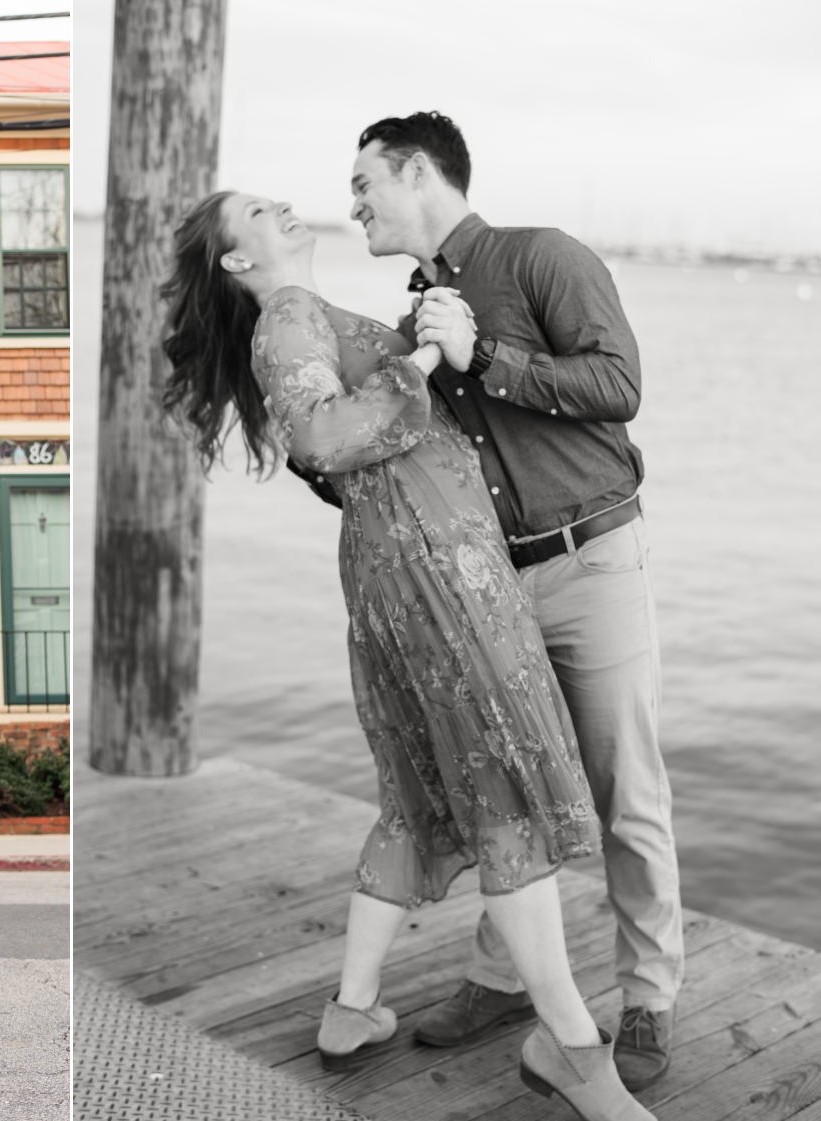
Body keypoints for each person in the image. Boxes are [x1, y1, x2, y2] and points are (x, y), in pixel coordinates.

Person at [161, 190, 656, 1121]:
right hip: (441, 570)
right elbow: (325, 437)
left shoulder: (297, 317)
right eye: (259, 212)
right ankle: (574, 1045)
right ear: (235, 261)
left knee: (420, 794)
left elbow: (334, 447)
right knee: (503, 786)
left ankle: (352, 1008)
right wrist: (426, 355)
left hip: (409, 560)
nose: (287, 207)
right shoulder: (292, 314)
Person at [343, 112, 681, 1092]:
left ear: (416, 173)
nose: (353, 202)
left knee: (626, 794)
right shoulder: (413, 321)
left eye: (364, 181)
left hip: (593, 559)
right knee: (514, 788)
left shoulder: (541, 258)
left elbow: (619, 384)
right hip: (487, 587)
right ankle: (503, 976)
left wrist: (485, 354)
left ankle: (649, 997)